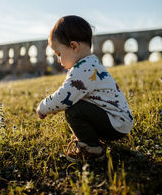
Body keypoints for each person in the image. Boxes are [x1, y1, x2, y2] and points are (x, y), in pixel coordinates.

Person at [36, 15, 134, 162]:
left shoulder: (83, 69)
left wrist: (43, 107)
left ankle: (92, 149)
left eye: (59, 54)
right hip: (118, 121)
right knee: (77, 106)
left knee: (74, 110)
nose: (58, 59)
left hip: (116, 124)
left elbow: (64, 97)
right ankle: (90, 137)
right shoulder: (91, 63)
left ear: (74, 46)